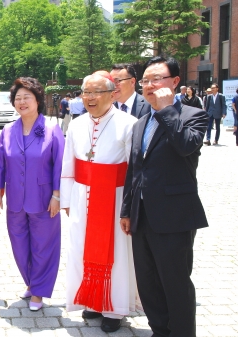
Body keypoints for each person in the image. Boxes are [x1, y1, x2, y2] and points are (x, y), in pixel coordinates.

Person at [120, 56, 209, 337]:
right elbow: (134, 170)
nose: (150, 85)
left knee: (175, 283)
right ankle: (159, 330)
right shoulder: (139, 123)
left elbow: (185, 147)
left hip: (174, 217)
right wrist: (126, 210)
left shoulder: (192, 115)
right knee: (148, 284)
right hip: (141, 216)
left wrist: (168, 109)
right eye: (145, 80)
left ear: (175, 82)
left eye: (156, 78)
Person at [60, 72, 138, 333]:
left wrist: (128, 207)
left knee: (114, 251)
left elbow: (134, 170)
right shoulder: (77, 123)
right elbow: (69, 164)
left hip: (113, 197)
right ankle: (91, 300)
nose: (90, 98)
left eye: (96, 92)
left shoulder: (129, 123)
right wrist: (67, 197)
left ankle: (114, 308)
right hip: (83, 196)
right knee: (81, 248)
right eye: (86, 92)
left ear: (112, 94)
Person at [0, 77, 64, 311]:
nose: (21, 102)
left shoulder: (52, 129)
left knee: (43, 247)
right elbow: (0, 163)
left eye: (26, 97)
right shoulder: (9, 131)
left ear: (37, 100)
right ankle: (32, 282)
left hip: (44, 200)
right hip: (15, 200)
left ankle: (39, 292)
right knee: (19, 245)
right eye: (17, 98)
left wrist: (57, 195)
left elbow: (60, 165)